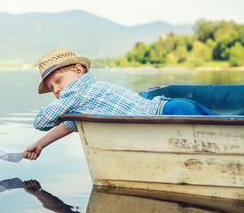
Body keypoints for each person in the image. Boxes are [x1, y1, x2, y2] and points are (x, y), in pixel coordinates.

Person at [24, 48, 217, 160]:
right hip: (172, 106)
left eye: (58, 81)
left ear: (78, 71)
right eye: (51, 88)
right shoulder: (85, 98)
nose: (56, 90)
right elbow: (70, 123)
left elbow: (41, 121)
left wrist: (61, 103)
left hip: (170, 112)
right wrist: (40, 145)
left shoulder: (75, 93)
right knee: (225, 122)